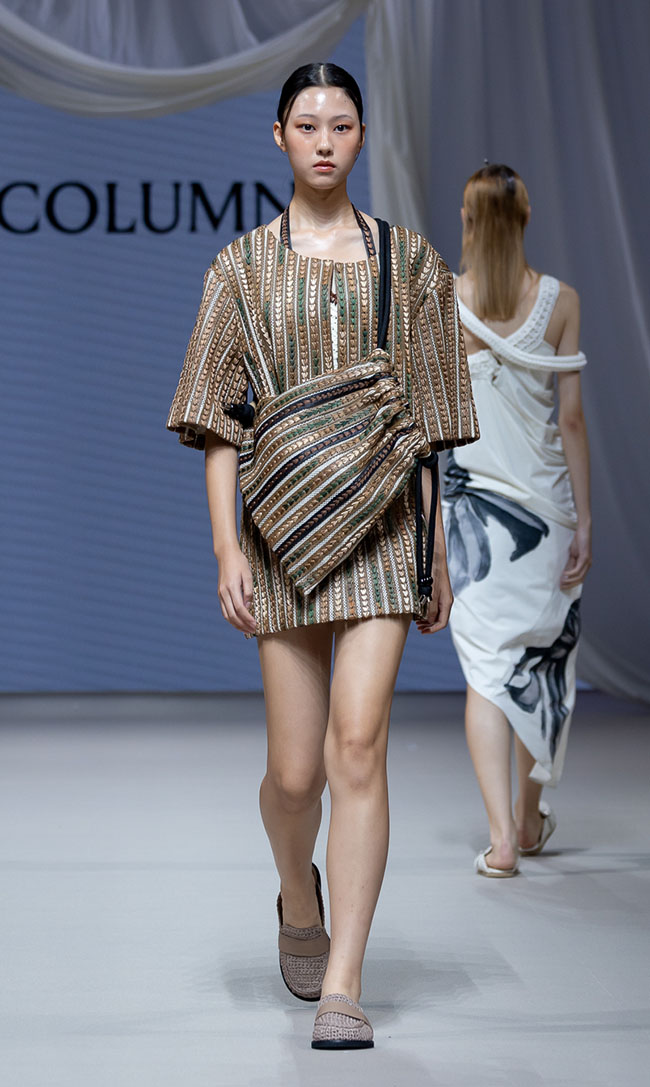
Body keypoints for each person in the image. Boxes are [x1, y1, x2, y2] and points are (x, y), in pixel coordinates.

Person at [167, 62, 478, 1049]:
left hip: (384, 529)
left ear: (360, 136)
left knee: (357, 747)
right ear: (278, 137)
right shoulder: (240, 268)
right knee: (295, 775)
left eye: (341, 124)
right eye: (306, 125)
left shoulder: (409, 263)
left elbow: (426, 423)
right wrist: (226, 546)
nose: (324, 141)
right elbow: (218, 421)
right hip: (280, 534)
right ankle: (297, 896)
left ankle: (345, 981)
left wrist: (434, 546)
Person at [444, 163, 591, 878]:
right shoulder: (561, 301)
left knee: (486, 675)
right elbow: (572, 420)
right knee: (542, 665)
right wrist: (585, 521)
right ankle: (529, 818)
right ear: (526, 217)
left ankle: (504, 839)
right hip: (548, 514)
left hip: (473, 519)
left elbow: (436, 426)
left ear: (468, 221)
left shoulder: (445, 302)